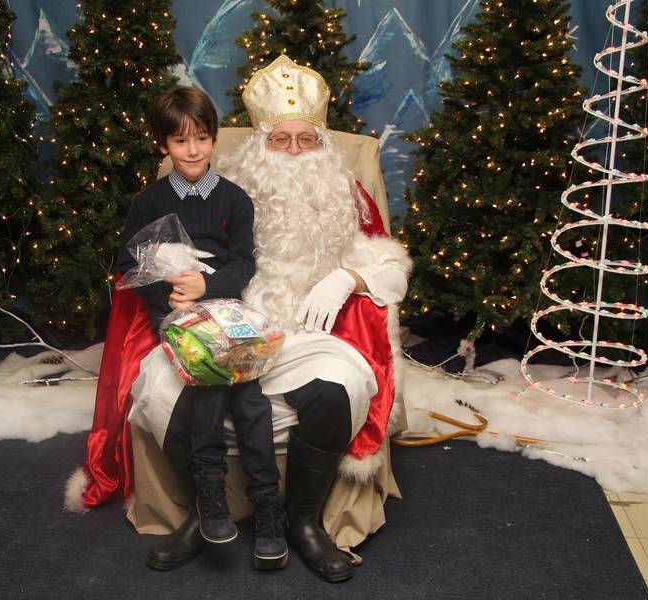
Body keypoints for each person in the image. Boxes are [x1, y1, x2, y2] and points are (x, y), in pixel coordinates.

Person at [68, 56, 410, 583]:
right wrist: (183, 299)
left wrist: (350, 278)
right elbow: (153, 260)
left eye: (306, 140)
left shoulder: (344, 194)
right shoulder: (228, 188)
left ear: (322, 144)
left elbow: (390, 264)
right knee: (160, 386)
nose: (293, 151)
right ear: (259, 143)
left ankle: (303, 523)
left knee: (340, 386)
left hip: (307, 336)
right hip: (219, 327)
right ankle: (201, 513)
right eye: (280, 139)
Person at [117, 86, 288, 570]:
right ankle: (211, 495)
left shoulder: (235, 199)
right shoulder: (149, 201)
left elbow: (243, 263)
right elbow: (128, 263)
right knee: (211, 384)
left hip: (229, 312)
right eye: (180, 141)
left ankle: (267, 508)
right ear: (163, 145)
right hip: (178, 317)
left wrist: (206, 285)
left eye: (201, 139)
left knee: (250, 400)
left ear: (214, 138)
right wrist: (171, 295)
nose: (192, 151)